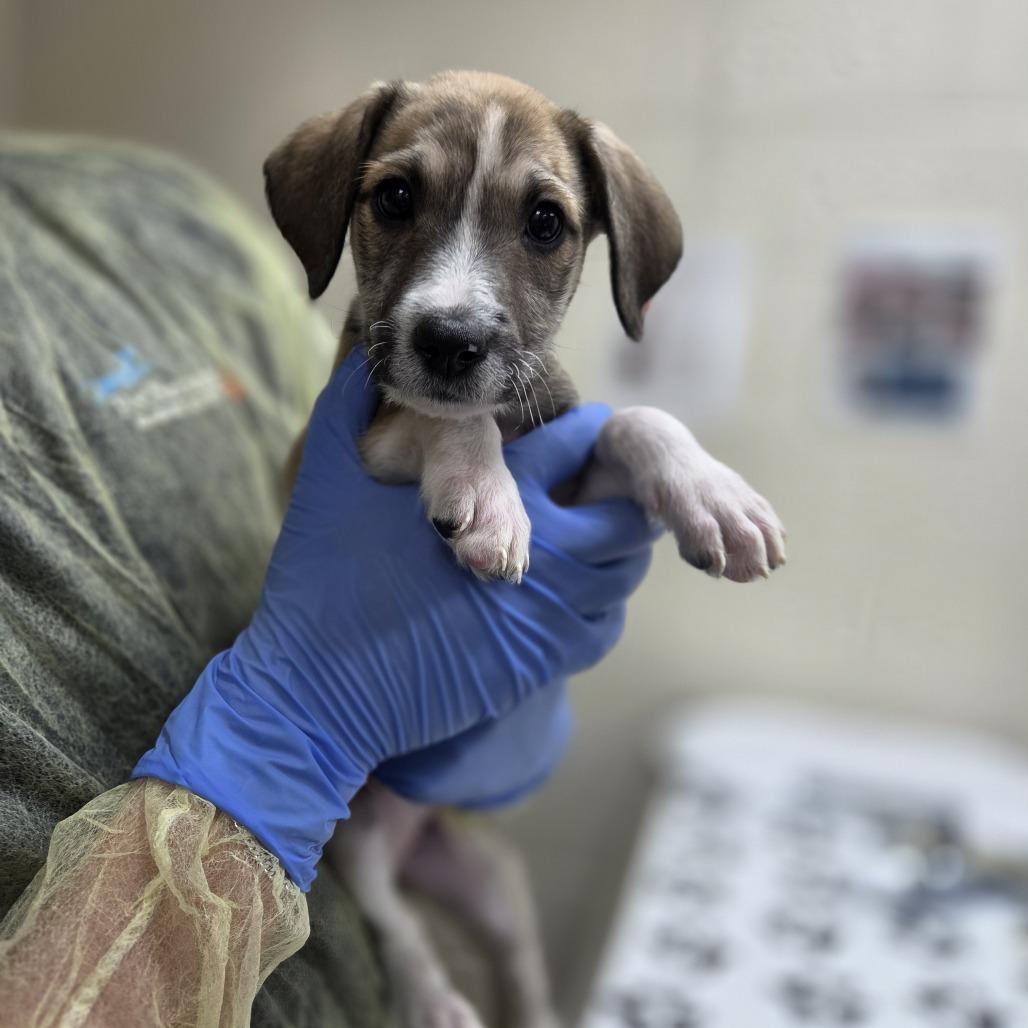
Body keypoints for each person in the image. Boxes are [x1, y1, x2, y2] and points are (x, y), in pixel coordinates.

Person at [0, 135, 655, 1026]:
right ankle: (411, 959)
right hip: (321, 810)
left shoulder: (179, 215)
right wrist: (295, 724)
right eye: (397, 201)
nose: (458, 296)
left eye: (543, 223)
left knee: (503, 915)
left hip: (425, 790)